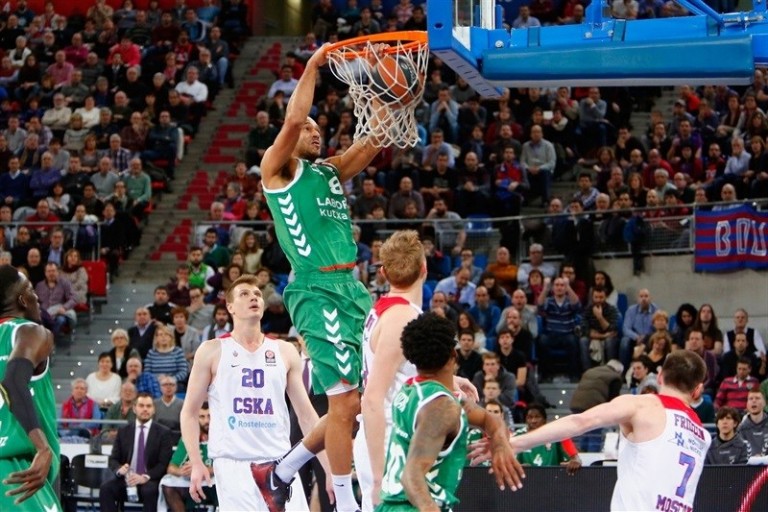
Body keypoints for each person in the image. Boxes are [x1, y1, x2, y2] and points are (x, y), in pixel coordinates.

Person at [259, 43, 380, 512]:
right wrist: (311, 66)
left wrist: (390, 95)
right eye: (308, 126)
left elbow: (369, 146)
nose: (314, 131)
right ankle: (345, 503)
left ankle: (281, 470)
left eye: (317, 127)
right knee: (345, 403)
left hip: (353, 288)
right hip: (316, 289)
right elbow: (291, 122)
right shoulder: (278, 170)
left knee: (359, 402)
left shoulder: (327, 171)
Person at [480, 351, 712, 511]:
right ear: (698, 390)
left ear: (660, 376)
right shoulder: (703, 436)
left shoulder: (643, 405)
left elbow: (579, 422)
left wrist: (514, 443)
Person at [182, 275, 330, 511]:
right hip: (233, 462)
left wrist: (329, 470)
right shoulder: (211, 351)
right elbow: (189, 413)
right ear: (230, 307)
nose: (254, 297)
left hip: (280, 461)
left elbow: (307, 416)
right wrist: (197, 462)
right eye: (244, 294)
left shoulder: (285, 351)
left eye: (258, 294)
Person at [377, 313, 524, 511]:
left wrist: (499, 443)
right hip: (413, 506)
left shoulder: (412, 390)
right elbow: (411, 477)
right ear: (453, 355)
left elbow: (490, 419)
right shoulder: (441, 408)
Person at [0, 265, 60, 510]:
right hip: (17, 470)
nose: (38, 298)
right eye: (33, 291)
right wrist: (42, 447)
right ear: (23, 299)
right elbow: (13, 381)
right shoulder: (30, 332)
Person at [99, 393, 175, 512]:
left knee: (149, 491)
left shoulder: (163, 433)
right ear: (134, 409)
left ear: (153, 410)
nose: (145, 409)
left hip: (150, 480)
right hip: (127, 479)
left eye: (149, 406)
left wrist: (145, 477)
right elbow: (113, 459)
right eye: (141, 405)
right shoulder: (123, 431)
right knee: (106, 489)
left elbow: (163, 463)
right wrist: (119, 469)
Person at [161, 402, 216, 512]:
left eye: (209, 416)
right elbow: (171, 468)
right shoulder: (188, 438)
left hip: (214, 482)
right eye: (202, 417)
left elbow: (227, 467)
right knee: (167, 485)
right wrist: (182, 471)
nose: (207, 421)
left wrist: (202, 469)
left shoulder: (222, 437)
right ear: (196, 419)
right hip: (192, 482)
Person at [513, 403, 581, 473]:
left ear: (544, 420)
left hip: (552, 479)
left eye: (537, 417)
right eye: (529, 417)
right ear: (525, 420)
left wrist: (575, 461)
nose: (533, 421)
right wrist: (516, 467)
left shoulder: (558, 434)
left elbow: (576, 459)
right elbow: (507, 463)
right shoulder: (518, 436)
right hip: (526, 480)